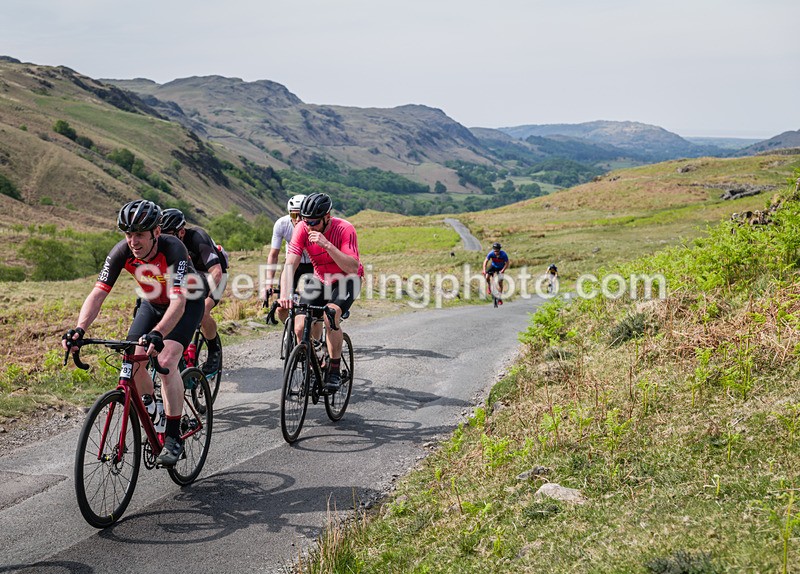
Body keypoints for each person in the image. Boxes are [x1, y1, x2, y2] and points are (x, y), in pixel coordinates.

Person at [62, 200, 206, 467]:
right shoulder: (121, 252)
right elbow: (97, 294)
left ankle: (173, 436)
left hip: (186, 303)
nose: (133, 241)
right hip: (152, 303)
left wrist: (159, 333)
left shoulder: (174, 248)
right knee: (133, 359)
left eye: (139, 234)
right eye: (128, 234)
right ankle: (155, 410)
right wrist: (80, 329)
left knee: (165, 362)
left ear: (156, 232)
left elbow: (178, 303)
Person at [278, 192, 362, 392]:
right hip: (320, 279)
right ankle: (315, 364)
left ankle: (334, 370)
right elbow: (290, 264)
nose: (310, 226)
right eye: (306, 221)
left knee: (330, 315)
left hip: (347, 279)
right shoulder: (302, 228)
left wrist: (326, 244)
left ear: (327, 217)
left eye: (314, 222)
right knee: (299, 327)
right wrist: (284, 294)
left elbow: (352, 266)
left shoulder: (345, 229)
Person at [159, 208, 227, 375]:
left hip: (214, 275)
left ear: (181, 231)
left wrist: (202, 297)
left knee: (202, 312)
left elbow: (216, 272)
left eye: (169, 234)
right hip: (187, 278)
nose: (165, 239)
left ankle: (214, 350)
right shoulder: (164, 244)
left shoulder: (197, 237)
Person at [261, 194, 314, 322]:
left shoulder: (314, 224)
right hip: (292, 265)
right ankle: (291, 333)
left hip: (313, 265)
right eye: (294, 215)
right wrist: (268, 283)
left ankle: (308, 333)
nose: (298, 219)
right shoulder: (281, 224)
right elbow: (273, 255)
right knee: (281, 308)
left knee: (311, 307)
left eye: (301, 215)